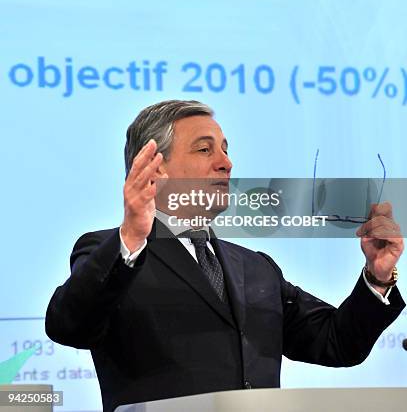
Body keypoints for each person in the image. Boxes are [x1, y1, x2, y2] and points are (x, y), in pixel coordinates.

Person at [46, 100, 405, 412]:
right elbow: (71, 325)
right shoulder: (113, 252)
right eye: (205, 150)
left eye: (226, 149)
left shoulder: (255, 267)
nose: (226, 163)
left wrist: (377, 277)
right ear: (156, 167)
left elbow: (336, 342)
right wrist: (131, 236)